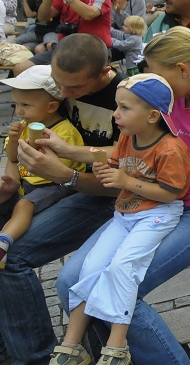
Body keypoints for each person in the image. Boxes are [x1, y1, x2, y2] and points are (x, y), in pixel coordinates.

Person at [52, 29, 190, 364]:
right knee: (69, 281)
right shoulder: (168, 103)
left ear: (182, 70)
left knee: (118, 287)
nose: (149, 79)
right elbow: (127, 149)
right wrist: (69, 151)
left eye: (154, 71)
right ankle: (114, 354)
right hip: (153, 204)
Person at [0, 35, 124, 364]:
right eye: (58, 84)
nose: (63, 94)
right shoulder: (59, 73)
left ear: (103, 73)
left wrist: (62, 175)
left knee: (11, 259)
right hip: (52, 183)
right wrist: (12, 175)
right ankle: (10, 341)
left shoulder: (125, 99)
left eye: (75, 89)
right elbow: (23, 84)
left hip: (105, 197)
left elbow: (118, 186)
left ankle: (36, 356)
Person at [52, 74, 190, 365]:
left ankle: (117, 347)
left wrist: (126, 179)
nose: (115, 114)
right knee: (89, 267)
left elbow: (171, 193)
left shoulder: (171, 148)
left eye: (125, 108)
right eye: (117, 106)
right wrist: (107, 172)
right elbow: (117, 168)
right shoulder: (127, 137)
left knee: (122, 267)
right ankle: (72, 343)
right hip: (125, 213)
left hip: (157, 214)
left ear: (153, 115)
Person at [0, 66, 85, 269]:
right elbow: (12, 157)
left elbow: (62, 170)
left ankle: (4, 243)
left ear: (51, 106)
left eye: (26, 105)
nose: (19, 111)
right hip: (25, 183)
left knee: (24, 205)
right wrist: (13, 139)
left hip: (52, 187)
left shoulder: (64, 132)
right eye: (16, 104)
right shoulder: (25, 126)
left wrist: (41, 152)